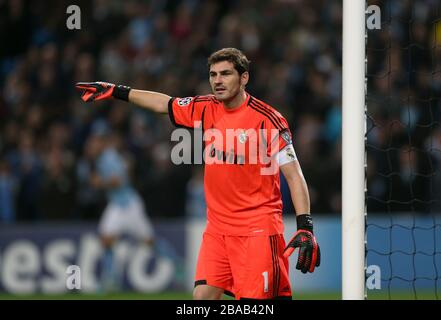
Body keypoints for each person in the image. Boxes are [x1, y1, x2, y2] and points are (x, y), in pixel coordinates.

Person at [76, 47, 320, 300]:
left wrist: (305, 226)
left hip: (256, 230)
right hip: (217, 229)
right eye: (213, 75)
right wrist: (116, 90)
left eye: (225, 74)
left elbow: (294, 175)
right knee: (201, 297)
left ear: (244, 78)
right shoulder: (205, 107)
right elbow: (164, 104)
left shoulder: (268, 120)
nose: (217, 81)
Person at [84, 123, 155, 292]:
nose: (93, 143)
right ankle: (111, 280)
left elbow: (119, 181)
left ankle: (177, 268)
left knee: (149, 241)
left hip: (129, 204)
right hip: (117, 204)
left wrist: (99, 182)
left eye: (97, 140)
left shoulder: (110, 157)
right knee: (106, 239)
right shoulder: (102, 158)